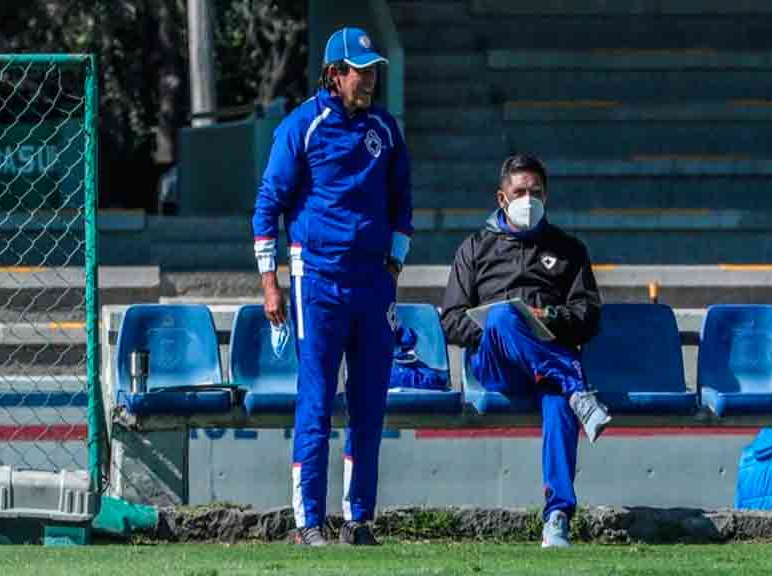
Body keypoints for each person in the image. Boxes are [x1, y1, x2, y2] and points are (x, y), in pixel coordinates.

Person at [252, 26, 413, 547]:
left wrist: (392, 269)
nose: (368, 80)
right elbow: (267, 206)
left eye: (371, 71)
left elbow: (402, 207)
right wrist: (270, 283)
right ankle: (308, 522)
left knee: (369, 405)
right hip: (316, 278)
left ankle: (358, 520)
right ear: (334, 73)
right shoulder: (303, 124)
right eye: (359, 71)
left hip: (373, 285)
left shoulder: (386, 130)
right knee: (317, 402)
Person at [440, 154, 611, 548]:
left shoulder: (568, 249)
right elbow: (451, 319)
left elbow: (588, 316)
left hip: (548, 362)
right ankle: (577, 388)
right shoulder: (475, 248)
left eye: (536, 192)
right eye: (520, 192)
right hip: (497, 363)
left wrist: (548, 316)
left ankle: (557, 518)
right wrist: (495, 329)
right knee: (502, 317)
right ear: (502, 198)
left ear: (546, 195)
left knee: (558, 403)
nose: (528, 199)